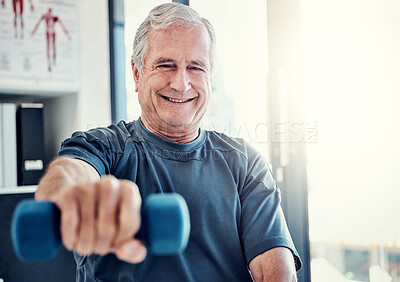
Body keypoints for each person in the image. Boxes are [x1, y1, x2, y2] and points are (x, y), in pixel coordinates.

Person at [36, 3, 301, 281]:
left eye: (196, 67)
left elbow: (276, 273)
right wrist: (74, 194)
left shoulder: (245, 163)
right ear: (137, 73)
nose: (181, 83)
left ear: (210, 77)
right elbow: (69, 173)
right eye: (166, 65)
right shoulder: (103, 146)